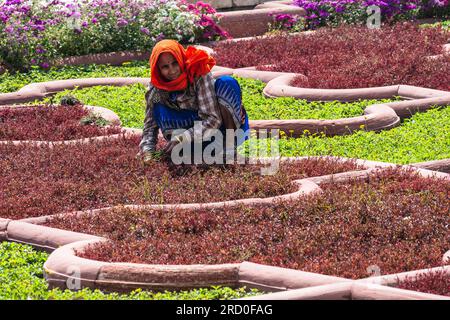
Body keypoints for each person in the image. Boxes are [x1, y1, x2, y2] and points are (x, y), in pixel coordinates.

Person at [138, 39, 249, 164]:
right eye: (165, 67)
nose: (172, 70)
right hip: (188, 140)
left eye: (175, 63)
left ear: (181, 59)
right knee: (156, 103)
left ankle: (229, 147)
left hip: (215, 132)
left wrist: (183, 137)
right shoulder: (156, 87)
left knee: (227, 83)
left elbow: (213, 120)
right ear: (158, 69)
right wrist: (147, 152)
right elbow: (150, 126)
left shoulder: (198, 72)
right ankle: (188, 153)